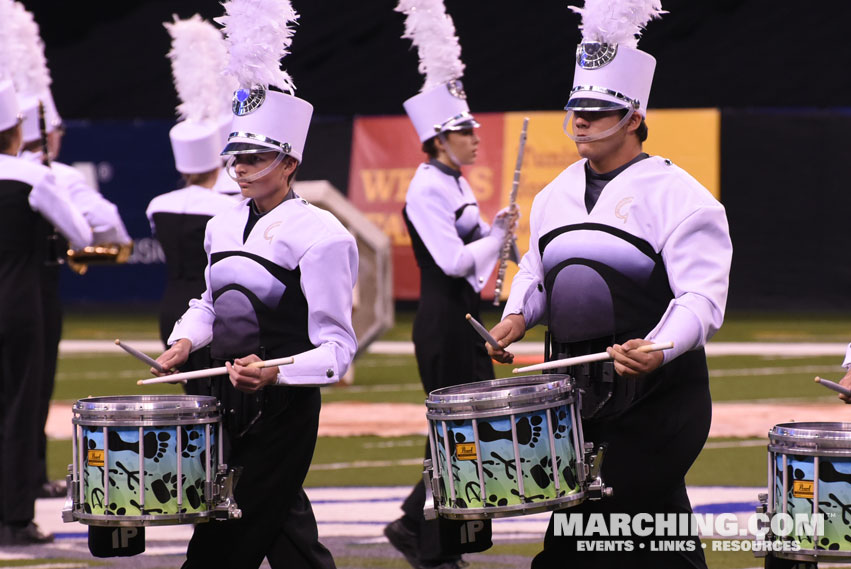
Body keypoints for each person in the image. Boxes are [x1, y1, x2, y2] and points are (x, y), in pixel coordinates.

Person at [486, 3, 732, 568]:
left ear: (634, 116)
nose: (582, 123)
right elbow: (538, 274)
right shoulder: (553, 196)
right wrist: (517, 316)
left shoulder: (683, 197)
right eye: (577, 111)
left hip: (658, 395)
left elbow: (701, 297)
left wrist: (660, 347)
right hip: (576, 398)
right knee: (650, 537)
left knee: (590, 534)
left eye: (597, 113)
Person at [152, 1, 357, 566]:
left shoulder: (322, 234)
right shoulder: (222, 223)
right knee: (284, 533)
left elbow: (338, 351)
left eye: (254, 156)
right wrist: (184, 343)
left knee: (223, 541)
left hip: (283, 408)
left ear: (289, 160)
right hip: (224, 398)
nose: (239, 167)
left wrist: (275, 371)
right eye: (234, 156)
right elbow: (207, 302)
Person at [384, 3, 515, 565]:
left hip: (464, 316)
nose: (476, 138)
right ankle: (426, 538)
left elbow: (473, 256)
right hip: (442, 319)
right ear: (440, 139)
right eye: (465, 131)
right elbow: (453, 261)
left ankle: (420, 527)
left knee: (471, 428)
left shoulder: (453, 181)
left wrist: (496, 235)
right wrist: (496, 237)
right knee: (456, 432)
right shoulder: (426, 188)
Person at [0, 79, 92, 546]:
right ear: (15, 131)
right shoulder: (33, 177)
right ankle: (14, 518)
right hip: (17, 301)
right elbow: (78, 230)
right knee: (19, 407)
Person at [146, 15, 240, 390]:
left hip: (170, 304)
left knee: (191, 395)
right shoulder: (226, 207)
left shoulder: (158, 204)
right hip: (210, 308)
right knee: (216, 395)